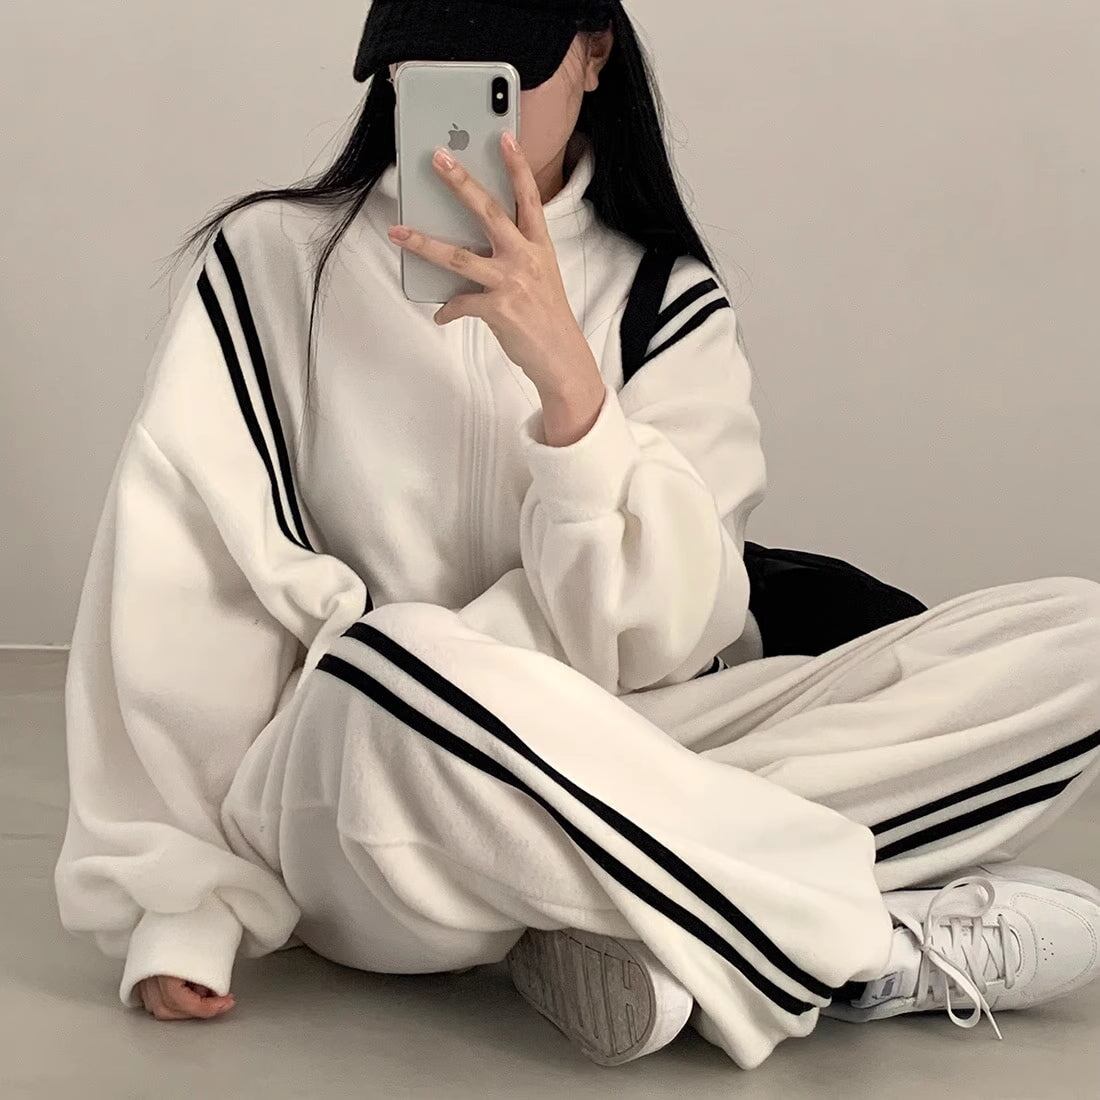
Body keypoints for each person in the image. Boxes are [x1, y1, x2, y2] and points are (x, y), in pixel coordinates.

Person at [54, 0, 1100, 1072]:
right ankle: (859, 948)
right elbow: (186, 578)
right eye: (427, 68)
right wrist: (184, 902)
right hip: (371, 791)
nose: (461, 108)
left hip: (628, 743)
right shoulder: (277, 263)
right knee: (396, 660)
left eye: (499, 71)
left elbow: (665, 636)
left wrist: (568, 382)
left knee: (1076, 641)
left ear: (594, 54)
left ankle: (606, 916)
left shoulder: (664, 298)